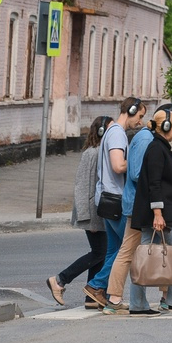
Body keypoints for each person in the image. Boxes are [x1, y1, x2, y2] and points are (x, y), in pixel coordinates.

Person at [116, 104, 172, 315]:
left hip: (150, 212)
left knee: (142, 257)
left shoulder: (159, 147)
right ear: (166, 126)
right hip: (161, 214)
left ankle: (138, 304)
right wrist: (158, 214)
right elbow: (154, 184)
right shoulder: (156, 149)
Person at [83, 97, 146, 309]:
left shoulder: (111, 131)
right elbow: (118, 166)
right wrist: (139, 161)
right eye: (140, 116)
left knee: (114, 250)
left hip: (106, 199)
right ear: (131, 111)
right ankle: (96, 286)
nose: (140, 121)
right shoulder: (118, 133)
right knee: (127, 249)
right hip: (115, 199)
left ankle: (106, 293)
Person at [48, 115, 110, 308]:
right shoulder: (91, 154)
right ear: (101, 132)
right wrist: (86, 217)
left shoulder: (102, 152)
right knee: (101, 252)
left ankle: (91, 296)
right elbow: (82, 186)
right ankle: (60, 280)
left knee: (100, 253)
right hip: (92, 213)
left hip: (99, 213)